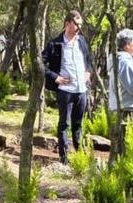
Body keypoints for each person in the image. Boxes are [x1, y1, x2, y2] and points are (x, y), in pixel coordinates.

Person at [42, 10, 92, 164]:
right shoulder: (55, 44)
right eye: (76, 24)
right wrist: (55, 77)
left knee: (78, 124)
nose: (78, 28)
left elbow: (89, 59)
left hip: (81, 90)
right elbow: (40, 63)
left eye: (80, 25)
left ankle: (80, 155)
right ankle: (64, 158)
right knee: (65, 124)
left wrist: (88, 72)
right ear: (67, 24)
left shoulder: (82, 41)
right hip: (65, 91)